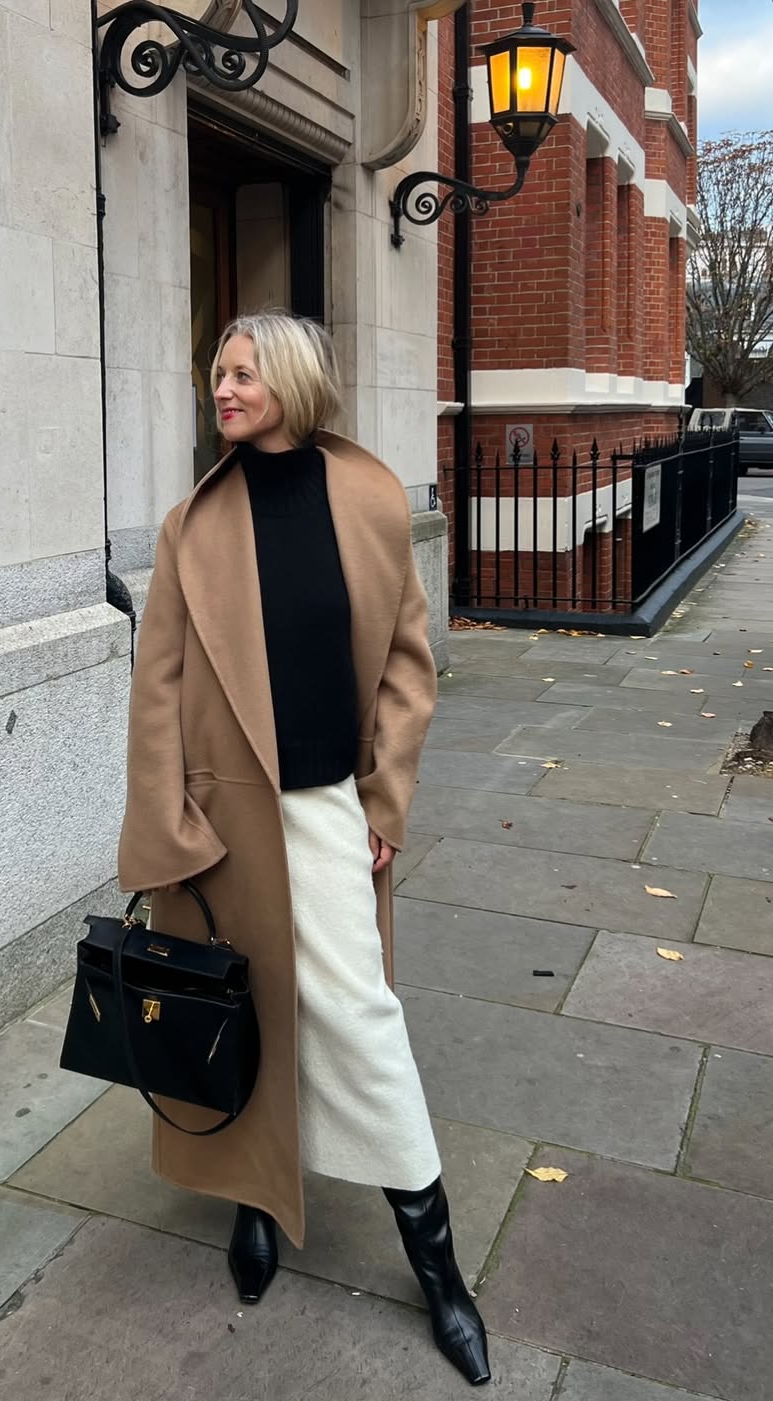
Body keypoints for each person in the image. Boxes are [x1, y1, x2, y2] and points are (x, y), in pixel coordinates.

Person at [117, 311, 490, 1386]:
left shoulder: (368, 495)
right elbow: (161, 688)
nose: (220, 388)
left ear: (288, 379)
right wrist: (163, 831)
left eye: (240, 372)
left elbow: (409, 669)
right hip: (223, 821)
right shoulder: (193, 523)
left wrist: (384, 803)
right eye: (216, 372)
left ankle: (441, 1272)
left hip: (328, 809)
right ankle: (256, 1204)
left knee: (361, 1020)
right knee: (247, 1008)